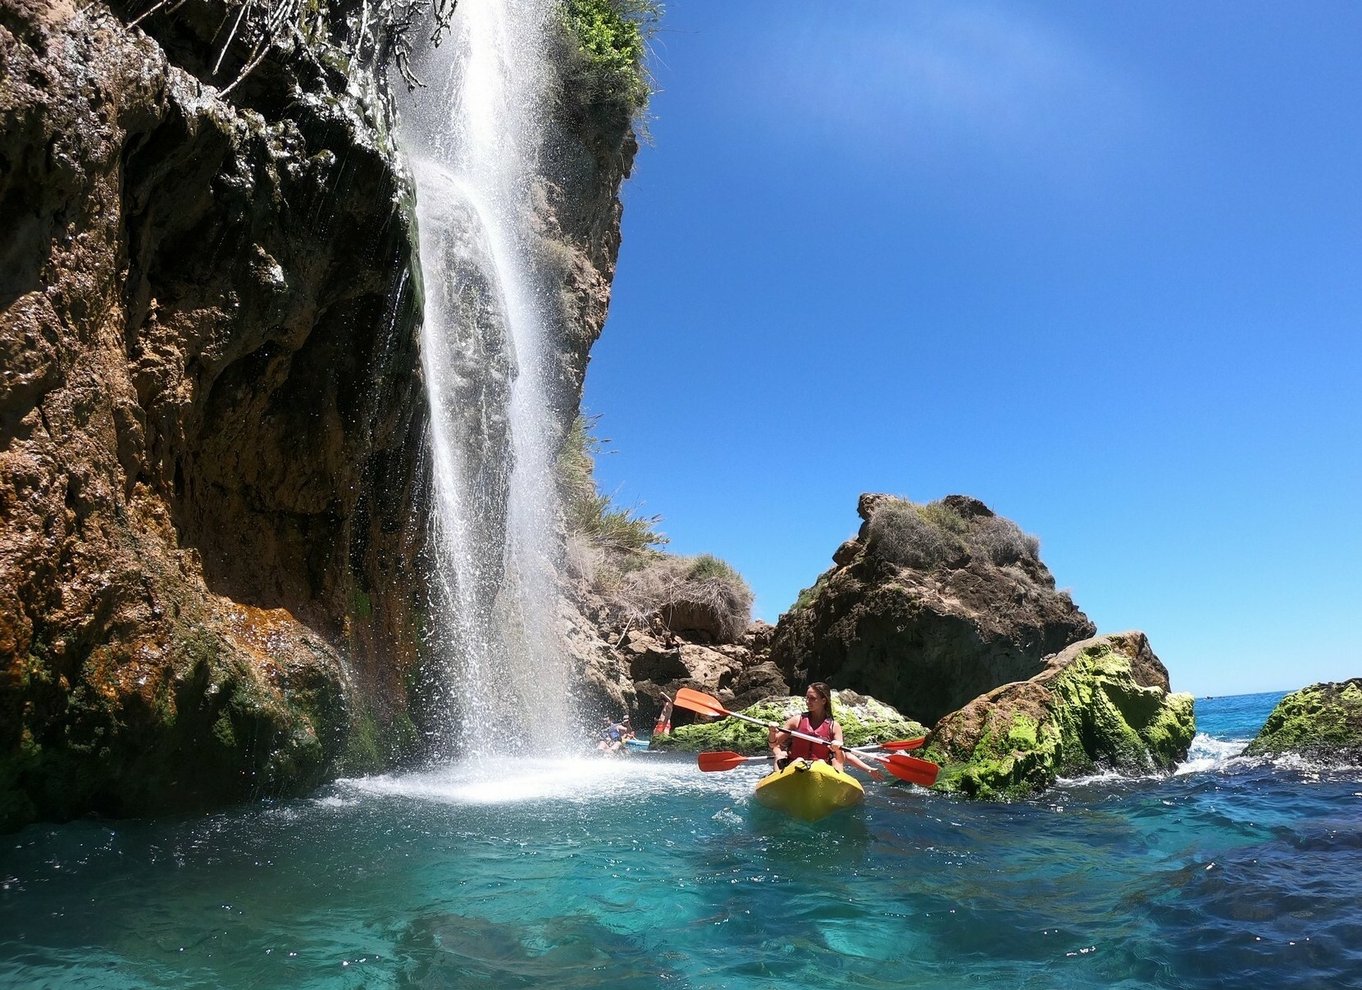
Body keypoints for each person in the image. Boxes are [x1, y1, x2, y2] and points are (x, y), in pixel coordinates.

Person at [769, 682, 884, 780]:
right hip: (795, 766)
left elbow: (842, 757)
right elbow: (773, 744)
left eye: (813, 699)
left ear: (823, 700)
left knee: (824, 761)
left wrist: (838, 749)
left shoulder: (834, 726)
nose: (808, 702)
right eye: (807, 698)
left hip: (821, 769)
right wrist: (772, 732)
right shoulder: (796, 721)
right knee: (792, 759)